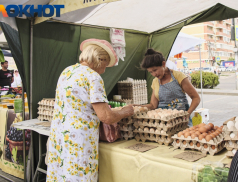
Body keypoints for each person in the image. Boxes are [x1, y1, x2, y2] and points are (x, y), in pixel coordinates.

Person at [46, 39, 134, 182]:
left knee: (61, 174)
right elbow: (106, 117)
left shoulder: (67, 71)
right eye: (105, 64)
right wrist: (125, 111)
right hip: (79, 141)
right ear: (99, 59)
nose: (105, 70)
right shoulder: (93, 77)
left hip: (61, 137)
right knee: (79, 176)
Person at [139, 49, 200, 126]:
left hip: (180, 121)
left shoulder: (178, 76)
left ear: (163, 64)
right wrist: (138, 107)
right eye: (151, 72)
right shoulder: (155, 81)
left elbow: (196, 98)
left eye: (155, 70)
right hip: (163, 123)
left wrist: (187, 114)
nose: (154, 74)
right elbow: (153, 105)